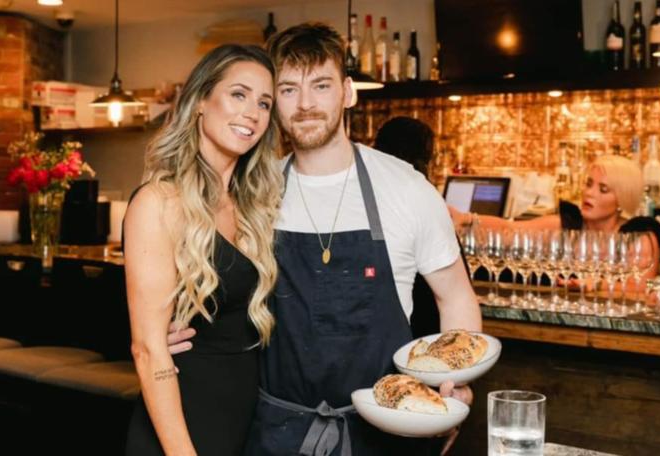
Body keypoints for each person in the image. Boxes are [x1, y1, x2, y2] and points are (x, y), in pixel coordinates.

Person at [167, 24, 481, 455]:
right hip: (276, 431)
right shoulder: (253, 192)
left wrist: (453, 381)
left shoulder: (406, 188)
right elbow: (218, 287)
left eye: (321, 85)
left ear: (348, 92)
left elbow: (455, 297)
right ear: (275, 101)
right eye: (290, 89)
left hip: (387, 432)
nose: (307, 104)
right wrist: (178, 330)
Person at [123, 44, 283, 456]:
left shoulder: (254, 205)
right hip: (184, 426)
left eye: (264, 103)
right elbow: (148, 348)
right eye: (238, 94)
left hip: (246, 423)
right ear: (199, 102)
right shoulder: (159, 203)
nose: (253, 112)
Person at [449, 154, 660, 283]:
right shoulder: (567, 225)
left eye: (603, 189)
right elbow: (510, 231)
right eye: (588, 184)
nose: (589, 193)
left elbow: (643, 287)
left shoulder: (639, 237)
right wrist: (466, 219)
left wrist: (596, 286)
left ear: (622, 199)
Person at [374, 117, 467, 339]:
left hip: (390, 340)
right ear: (427, 157)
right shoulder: (424, 199)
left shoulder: (368, 200)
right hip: (425, 341)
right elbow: (458, 294)